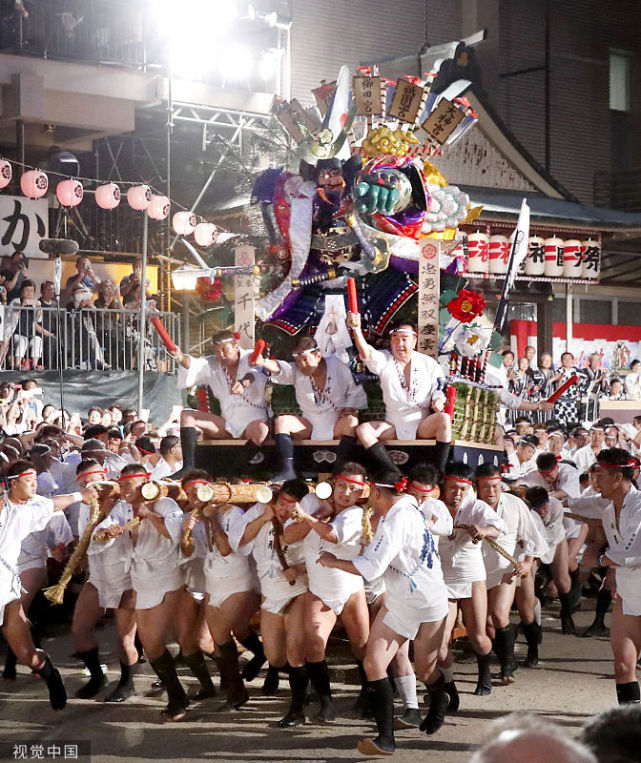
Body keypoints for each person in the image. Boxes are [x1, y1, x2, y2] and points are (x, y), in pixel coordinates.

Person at [318, 470, 449, 756]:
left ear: (377, 493)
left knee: (426, 669)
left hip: (427, 602)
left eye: (370, 494)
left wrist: (334, 561)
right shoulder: (407, 504)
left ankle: (440, 698)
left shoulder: (396, 520)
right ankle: (385, 738)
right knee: (373, 663)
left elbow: (372, 568)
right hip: (399, 601)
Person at [92, 464, 187, 721]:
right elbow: (105, 530)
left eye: (127, 485)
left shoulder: (165, 504)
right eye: (120, 485)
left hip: (166, 577)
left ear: (144, 483)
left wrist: (149, 514)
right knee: (149, 643)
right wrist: (105, 532)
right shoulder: (122, 508)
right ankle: (178, 694)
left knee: (155, 641)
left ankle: (178, 697)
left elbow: (175, 533)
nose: (122, 490)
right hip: (140, 578)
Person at [0, 459, 97, 710]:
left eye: (34, 480)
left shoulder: (27, 509)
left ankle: (50, 675)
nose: (34, 485)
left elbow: (55, 503)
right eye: (28, 480)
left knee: (27, 654)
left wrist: (80, 495)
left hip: (6, 590)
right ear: (13, 484)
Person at [283, 462, 370, 723]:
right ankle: (325, 702)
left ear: (360, 492)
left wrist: (310, 518)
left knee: (362, 647)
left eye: (353, 489)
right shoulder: (311, 502)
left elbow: (333, 536)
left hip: (350, 589)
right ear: (332, 484)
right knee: (314, 644)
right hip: (320, 590)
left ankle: (368, 695)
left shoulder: (356, 512)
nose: (345, 493)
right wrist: (318, 513)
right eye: (342, 486)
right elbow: (288, 536)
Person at [229, 478, 310, 727]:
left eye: (293, 505)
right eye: (284, 503)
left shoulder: (308, 517)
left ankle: (297, 708)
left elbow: (323, 555)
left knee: (295, 650)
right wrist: (265, 517)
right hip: (270, 588)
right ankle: (312, 680)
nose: (287, 509)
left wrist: (299, 568)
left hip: (299, 588)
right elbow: (239, 542)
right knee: (274, 656)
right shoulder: (261, 508)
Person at [180, 470, 263, 710]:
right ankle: (236, 689)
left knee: (226, 633)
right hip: (212, 580)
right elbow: (187, 552)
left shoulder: (232, 512)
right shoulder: (194, 516)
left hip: (236, 580)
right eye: (189, 494)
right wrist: (185, 532)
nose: (195, 498)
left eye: (199, 492)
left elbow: (227, 548)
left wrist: (212, 519)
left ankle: (238, 687)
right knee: (219, 639)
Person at [567, 448, 641, 705]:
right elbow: (575, 504)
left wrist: (598, 560)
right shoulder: (608, 506)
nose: (595, 481)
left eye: (600, 475)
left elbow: (633, 553)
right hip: (629, 594)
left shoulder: (639, 506)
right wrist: (540, 500)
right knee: (622, 665)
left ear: (618, 477)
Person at [436, 462, 507, 698]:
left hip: (470, 574)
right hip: (442, 577)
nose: (457, 493)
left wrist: (483, 531)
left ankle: (484, 670)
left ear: (469, 490)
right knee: (440, 641)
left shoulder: (476, 506)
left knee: (478, 636)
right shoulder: (433, 505)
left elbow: (498, 526)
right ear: (443, 485)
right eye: (453, 487)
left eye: (462, 489)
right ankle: (448, 685)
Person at [254, 334, 367, 481]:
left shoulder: (338, 366)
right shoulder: (297, 371)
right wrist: (263, 361)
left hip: (336, 424)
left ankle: (338, 470)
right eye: (298, 360)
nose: (302, 365)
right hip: (310, 424)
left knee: (351, 421)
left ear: (318, 355)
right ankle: (288, 470)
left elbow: (355, 391)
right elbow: (280, 368)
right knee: (282, 421)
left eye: (306, 359)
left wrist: (351, 407)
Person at [346, 315, 450, 474]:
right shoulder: (385, 360)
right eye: (395, 339)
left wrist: (438, 399)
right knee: (363, 431)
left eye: (404, 339)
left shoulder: (428, 363)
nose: (400, 344)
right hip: (393, 424)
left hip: (422, 423)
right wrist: (356, 329)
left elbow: (439, 387)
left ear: (414, 341)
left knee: (444, 419)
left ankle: (440, 473)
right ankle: (393, 471)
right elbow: (366, 352)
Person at [71, 460, 138, 701]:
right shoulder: (84, 504)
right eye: (84, 482)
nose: (90, 486)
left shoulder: (124, 500)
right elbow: (88, 538)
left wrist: (109, 531)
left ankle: (127, 683)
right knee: (79, 629)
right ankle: (98, 677)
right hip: (98, 576)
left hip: (124, 576)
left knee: (124, 638)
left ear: (105, 477)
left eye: (94, 480)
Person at [475, 464, 548, 684]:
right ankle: (506, 659)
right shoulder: (471, 506)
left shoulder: (515, 504)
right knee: (487, 623)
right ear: (476, 487)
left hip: (509, 566)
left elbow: (532, 537)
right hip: (478, 570)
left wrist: (527, 562)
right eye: (486, 487)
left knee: (507, 614)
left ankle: (516, 661)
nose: (491, 492)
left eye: (496, 486)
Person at [171, 330, 270, 476]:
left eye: (225, 350)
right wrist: (179, 356)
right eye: (217, 351)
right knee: (187, 416)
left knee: (262, 430)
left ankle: (235, 470)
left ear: (235, 346)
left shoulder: (250, 357)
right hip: (227, 423)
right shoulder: (212, 364)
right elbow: (192, 364)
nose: (221, 355)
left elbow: (256, 373)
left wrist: (243, 382)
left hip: (252, 422)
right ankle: (188, 467)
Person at [524, 485, 576, 634]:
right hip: (533, 546)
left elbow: (550, 535)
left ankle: (566, 613)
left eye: (544, 507)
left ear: (548, 502)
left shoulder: (556, 506)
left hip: (555, 540)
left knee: (562, 581)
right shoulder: (527, 512)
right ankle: (530, 617)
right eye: (537, 508)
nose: (541, 511)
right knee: (528, 580)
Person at [551, 352, 580, 428]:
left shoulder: (577, 372)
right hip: (560, 402)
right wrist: (559, 380)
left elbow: (581, 387)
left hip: (572, 402)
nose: (567, 360)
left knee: (572, 425)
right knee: (560, 424)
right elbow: (556, 389)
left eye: (569, 359)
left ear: (572, 360)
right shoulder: (558, 372)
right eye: (565, 359)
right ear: (561, 360)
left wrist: (578, 383)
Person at [580, 353, 608, 422]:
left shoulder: (601, 373)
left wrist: (603, 381)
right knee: (585, 419)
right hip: (586, 399)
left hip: (596, 399)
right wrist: (598, 380)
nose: (596, 362)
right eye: (594, 360)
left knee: (595, 419)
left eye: (598, 360)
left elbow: (604, 389)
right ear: (590, 361)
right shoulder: (583, 371)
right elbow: (583, 386)